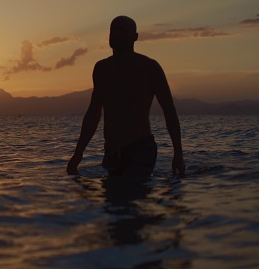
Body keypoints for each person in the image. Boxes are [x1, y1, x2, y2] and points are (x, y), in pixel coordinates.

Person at [67, 16, 185, 180]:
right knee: (112, 201)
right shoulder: (102, 69)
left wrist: (178, 154)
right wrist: (77, 155)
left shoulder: (149, 68)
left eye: (123, 30)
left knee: (130, 193)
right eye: (113, 30)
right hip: (112, 152)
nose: (116, 34)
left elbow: (169, 111)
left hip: (140, 148)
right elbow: (93, 113)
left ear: (135, 37)